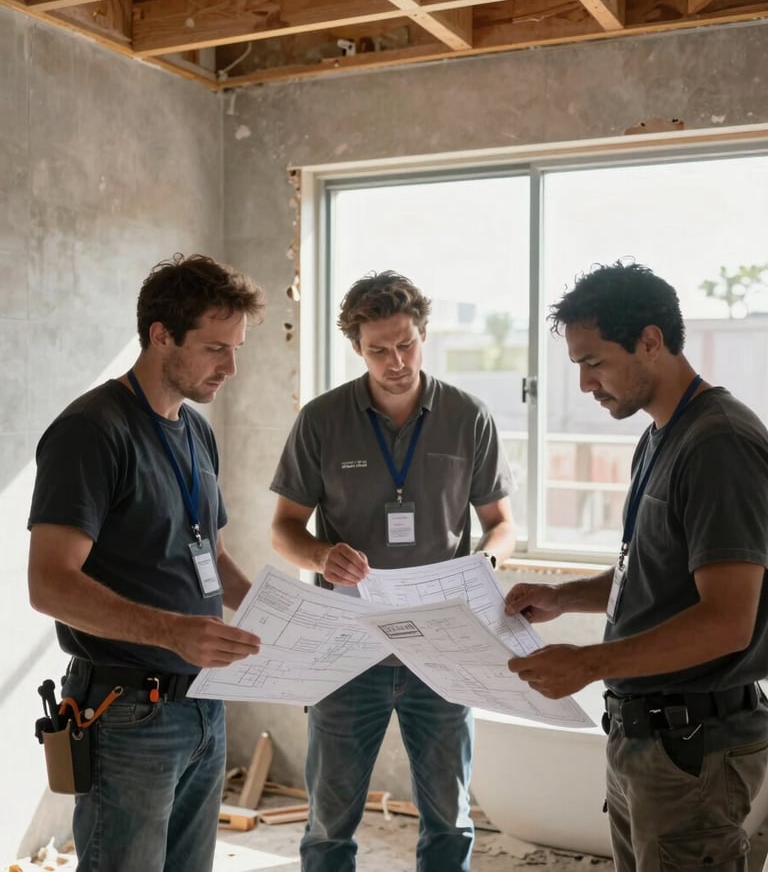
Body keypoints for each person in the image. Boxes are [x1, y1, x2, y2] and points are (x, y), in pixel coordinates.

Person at [506, 261, 768, 871]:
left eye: (593, 362)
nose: (584, 384)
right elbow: (653, 575)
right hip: (648, 740)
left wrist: (589, 663)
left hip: (693, 749)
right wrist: (564, 598)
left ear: (650, 341)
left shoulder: (718, 444)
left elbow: (728, 620)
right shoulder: (661, 434)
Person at [270, 270, 517, 872]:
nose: (396, 360)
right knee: (328, 826)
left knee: (449, 824)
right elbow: (283, 530)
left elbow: (503, 526)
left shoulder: (468, 417)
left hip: (443, 646)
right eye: (378, 349)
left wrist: (486, 560)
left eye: (406, 343)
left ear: (423, 334)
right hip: (348, 648)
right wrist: (320, 556)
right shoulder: (321, 420)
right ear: (357, 347)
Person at [27, 254, 266, 872]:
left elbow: (209, 555)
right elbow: (49, 584)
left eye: (236, 348)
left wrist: (282, 610)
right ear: (161, 335)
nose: (231, 367)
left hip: (204, 705)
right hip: (126, 712)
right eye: (216, 348)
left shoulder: (195, 430)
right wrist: (173, 631)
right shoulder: (91, 431)